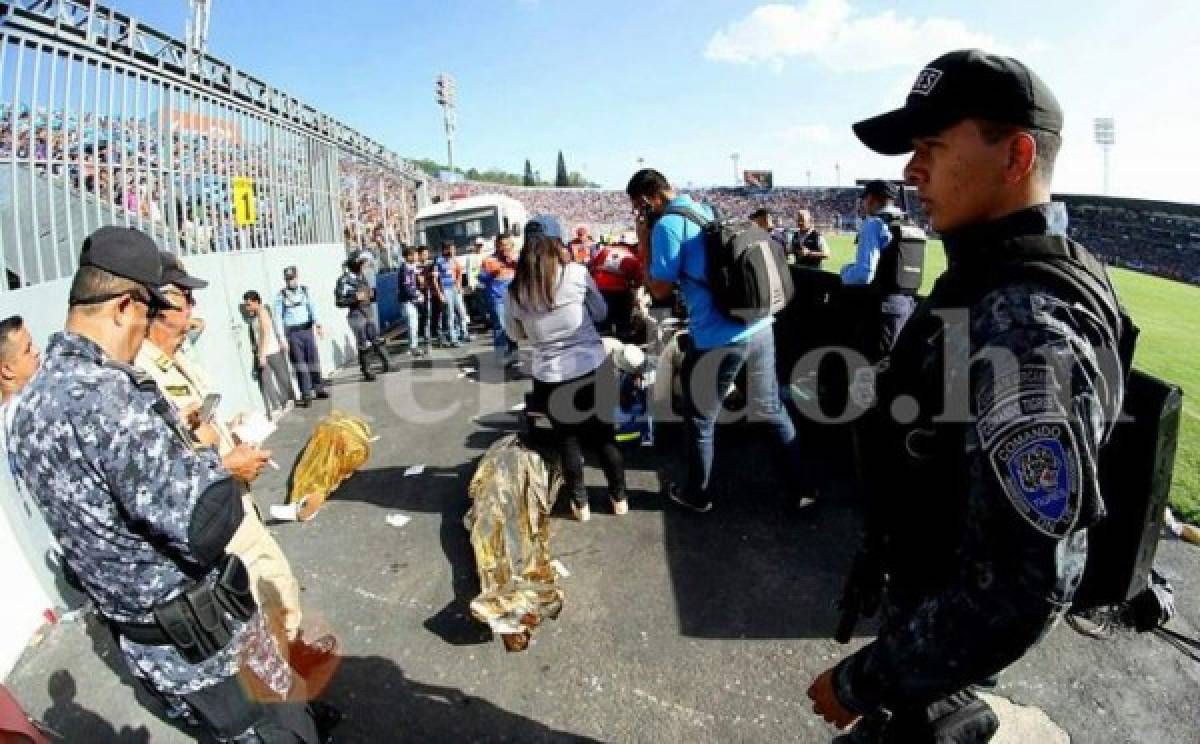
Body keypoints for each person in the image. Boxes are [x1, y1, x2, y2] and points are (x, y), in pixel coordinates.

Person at [807, 50, 1130, 742]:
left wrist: (867, 679)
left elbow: (1021, 586)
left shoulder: (1025, 328)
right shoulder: (997, 280)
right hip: (928, 614)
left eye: (932, 147)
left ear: (1016, 157)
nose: (910, 170)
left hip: (935, 653)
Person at [8, 227, 327, 741]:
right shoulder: (105, 396)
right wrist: (224, 469)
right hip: (210, 647)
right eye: (144, 311)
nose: (145, 326)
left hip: (149, 647)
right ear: (123, 306)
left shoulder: (30, 405)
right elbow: (202, 521)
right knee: (277, 731)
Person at [135, 252, 336, 672]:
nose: (193, 308)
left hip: (231, 496)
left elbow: (197, 423)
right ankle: (288, 687)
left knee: (272, 587)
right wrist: (225, 463)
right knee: (263, 591)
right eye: (184, 299)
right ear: (157, 307)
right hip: (211, 508)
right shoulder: (141, 375)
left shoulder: (176, 357)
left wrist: (232, 431)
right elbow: (160, 472)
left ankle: (291, 670)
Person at [627, 169, 814, 514]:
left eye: (640, 208)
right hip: (757, 325)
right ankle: (802, 489)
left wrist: (643, 241)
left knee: (700, 419)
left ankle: (697, 495)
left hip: (716, 336)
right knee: (770, 408)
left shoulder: (668, 226)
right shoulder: (708, 209)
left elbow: (660, 289)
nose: (641, 214)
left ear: (647, 199)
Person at [505, 217, 628, 521]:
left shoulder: (515, 289)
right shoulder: (576, 273)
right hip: (591, 366)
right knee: (604, 437)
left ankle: (580, 504)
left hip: (549, 375)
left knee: (567, 441)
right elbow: (601, 312)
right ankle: (619, 498)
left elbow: (516, 335)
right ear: (557, 242)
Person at [841, 180, 916, 358]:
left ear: (872, 199)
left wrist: (845, 272)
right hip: (908, 305)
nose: (863, 204)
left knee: (873, 363)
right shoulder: (908, 223)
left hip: (881, 307)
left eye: (864, 199)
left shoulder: (874, 224)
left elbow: (864, 274)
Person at [274, 265, 328, 407]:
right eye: (288, 279)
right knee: (300, 363)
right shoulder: (281, 296)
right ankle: (306, 393)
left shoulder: (304, 291)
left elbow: (312, 307)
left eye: (293, 278)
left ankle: (318, 388)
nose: (291, 281)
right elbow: (278, 318)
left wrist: (318, 324)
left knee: (313, 359)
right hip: (293, 333)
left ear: (297, 277)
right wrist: (281, 338)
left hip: (307, 330)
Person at [336, 252, 389, 381]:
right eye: (360, 263)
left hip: (368, 310)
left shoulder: (362, 276)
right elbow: (339, 301)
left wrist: (372, 294)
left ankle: (387, 363)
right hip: (356, 313)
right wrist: (354, 298)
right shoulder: (344, 280)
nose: (363, 265)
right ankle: (367, 370)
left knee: (376, 337)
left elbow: (370, 295)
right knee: (363, 342)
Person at [242, 290, 294, 417]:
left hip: (271, 350)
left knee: (281, 376)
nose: (247, 307)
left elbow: (265, 333)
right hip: (263, 352)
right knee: (266, 380)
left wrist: (262, 354)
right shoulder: (255, 316)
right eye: (245, 305)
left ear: (256, 302)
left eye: (248, 304)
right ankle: (276, 406)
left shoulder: (263, 313)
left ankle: (288, 400)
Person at [588, 230, 643, 341]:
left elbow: (591, 266)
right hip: (619, 292)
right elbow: (638, 281)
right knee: (622, 322)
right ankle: (623, 337)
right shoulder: (632, 258)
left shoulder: (604, 251)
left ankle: (603, 338)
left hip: (599, 290)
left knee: (602, 322)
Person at [478, 233, 519, 366]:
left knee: (514, 326)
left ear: (512, 245)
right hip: (498, 298)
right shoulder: (489, 260)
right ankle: (500, 356)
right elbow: (481, 278)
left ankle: (513, 354)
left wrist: (515, 262)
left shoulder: (516, 258)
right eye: (501, 245)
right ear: (497, 246)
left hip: (515, 297)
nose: (504, 248)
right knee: (501, 326)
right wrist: (491, 274)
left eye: (507, 245)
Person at [395, 247, 427, 357]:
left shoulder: (411, 268)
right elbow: (407, 288)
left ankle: (413, 346)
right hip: (407, 301)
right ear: (408, 256)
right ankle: (413, 348)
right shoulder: (405, 269)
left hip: (411, 300)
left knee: (414, 324)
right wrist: (417, 295)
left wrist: (418, 292)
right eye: (414, 255)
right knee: (412, 325)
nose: (417, 256)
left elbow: (413, 285)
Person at [433, 241, 464, 348]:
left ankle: (462, 334)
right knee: (450, 314)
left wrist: (459, 285)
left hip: (455, 288)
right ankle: (453, 338)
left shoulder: (453, 260)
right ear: (444, 250)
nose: (452, 251)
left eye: (453, 249)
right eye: (450, 249)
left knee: (461, 312)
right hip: (446, 289)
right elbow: (435, 279)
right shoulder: (438, 261)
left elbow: (458, 272)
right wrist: (440, 293)